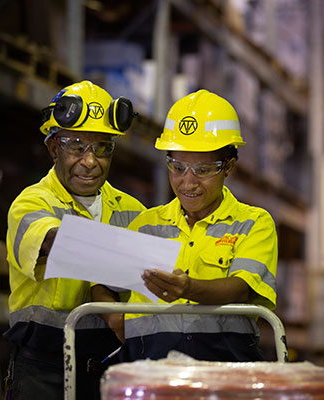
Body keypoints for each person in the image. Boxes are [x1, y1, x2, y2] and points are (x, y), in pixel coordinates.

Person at [94, 89, 278, 362]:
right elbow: (101, 284)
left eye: (203, 170)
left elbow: (240, 288)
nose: (188, 183)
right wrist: (114, 317)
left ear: (229, 167)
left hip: (225, 369)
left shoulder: (252, 224)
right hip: (150, 370)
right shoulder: (146, 225)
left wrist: (187, 288)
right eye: (177, 167)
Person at [4, 80, 145, 400]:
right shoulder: (31, 203)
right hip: (44, 370)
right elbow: (58, 242)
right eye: (77, 146)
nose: (90, 161)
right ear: (54, 148)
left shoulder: (133, 211)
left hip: (112, 367)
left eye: (102, 147)